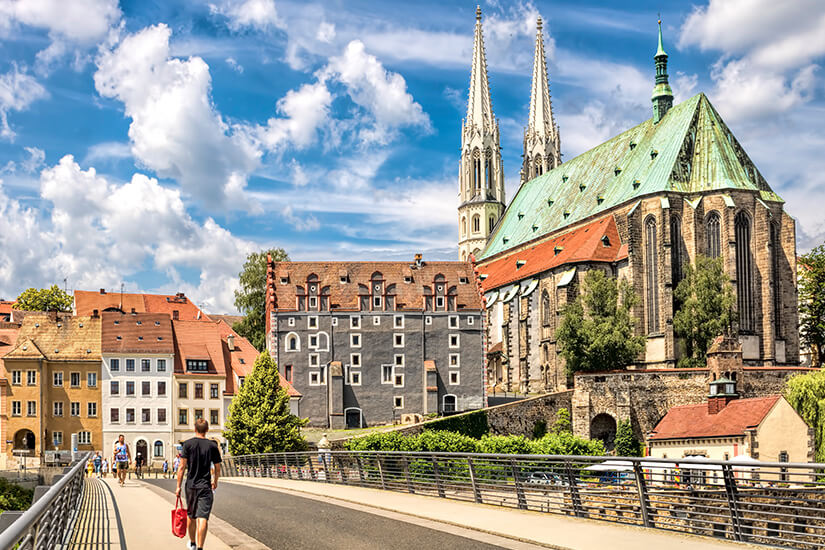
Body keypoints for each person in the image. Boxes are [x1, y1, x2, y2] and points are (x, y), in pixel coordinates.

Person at [176, 418, 221, 550]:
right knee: (203, 517)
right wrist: (215, 481)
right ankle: (201, 547)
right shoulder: (212, 446)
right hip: (205, 486)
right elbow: (217, 468)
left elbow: (181, 467)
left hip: (191, 485)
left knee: (191, 515)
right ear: (207, 430)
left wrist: (178, 486)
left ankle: (193, 543)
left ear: (195, 429)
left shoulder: (188, 444)